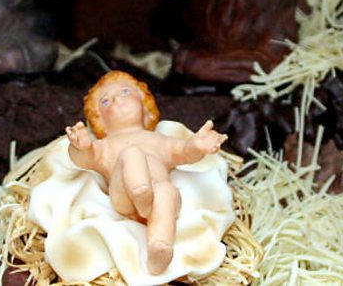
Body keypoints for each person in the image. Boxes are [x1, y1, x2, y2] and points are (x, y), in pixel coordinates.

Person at [65, 70, 228, 275]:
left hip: (157, 199)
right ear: (100, 120)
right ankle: (141, 192)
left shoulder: (159, 140)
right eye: (106, 101)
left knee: (168, 191)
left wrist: (198, 145)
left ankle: (159, 248)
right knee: (132, 154)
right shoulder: (105, 146)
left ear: (145, 105)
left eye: (125, 92)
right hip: (124, 198)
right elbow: (85, 159)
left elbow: (185, 153)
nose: (117, 99)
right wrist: (80, 147)